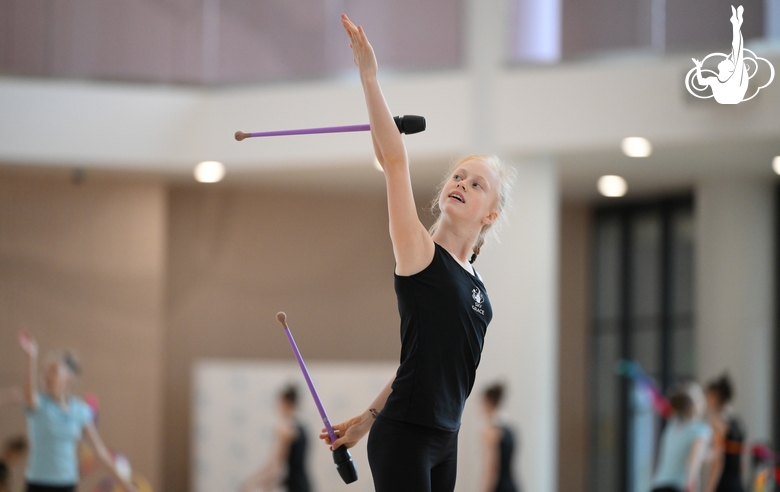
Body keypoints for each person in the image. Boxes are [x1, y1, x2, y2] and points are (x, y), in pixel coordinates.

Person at [319, 14, 516, 492]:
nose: (461, 184)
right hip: (405, 436)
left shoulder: (477, 284)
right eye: (457, 177)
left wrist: (366, 417)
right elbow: (393, 159)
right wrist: (369, 76)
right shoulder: (418, 253)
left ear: (490, 214)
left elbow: (419, 363)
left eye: (477, 184)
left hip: (445, 439)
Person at [17, 331, 137, 492]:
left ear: (69, 377)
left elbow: (100, 452)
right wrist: (30, 357)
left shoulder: (80, 411)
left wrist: (126, 485)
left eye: (53, 371)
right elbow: (28, 396)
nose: (46, 376)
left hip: (67, 484)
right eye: (45, 371)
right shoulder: (39, 404)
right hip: (38, 484)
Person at [241, 386, 310, 492]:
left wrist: (251, 483)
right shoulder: (301, 428)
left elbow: (275, 465)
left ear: (286, 403)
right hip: (304, 484)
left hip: (295, 487)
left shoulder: (285, 430)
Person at [650, 384, 712, 492]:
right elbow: (694, 458)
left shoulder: (672, 424)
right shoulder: (702, 430)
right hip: (678, 486)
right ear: (695, 405)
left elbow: (679, 452)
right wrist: (691, 480)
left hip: (658, 486)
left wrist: (709, 455)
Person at [692, 5, 748, 104]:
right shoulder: (727, 80)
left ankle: (736, 23)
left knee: (737, 50)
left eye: (727, 61)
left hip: (731, 96)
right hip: (731, 96)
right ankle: (736, 23)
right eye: (728, 61)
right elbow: (737, 51)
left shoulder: (727, 79)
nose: (725, 59)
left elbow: (737, 49)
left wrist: (698, 67)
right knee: (737, 51)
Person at [703, 374, 745, 492]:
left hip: (723, 483)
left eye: (708, 396)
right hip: (736, 482)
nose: (706, 400)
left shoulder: (718, 422)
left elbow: (718, 460)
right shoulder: (736, 420)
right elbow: (740, 461)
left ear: (715, 396)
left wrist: (709, 489)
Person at [480, 384, 519, 492]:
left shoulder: (491, 432)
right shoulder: (509, 429)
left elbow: (492, 468)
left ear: (489, 402)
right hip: (512, 486)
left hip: (499, 488)